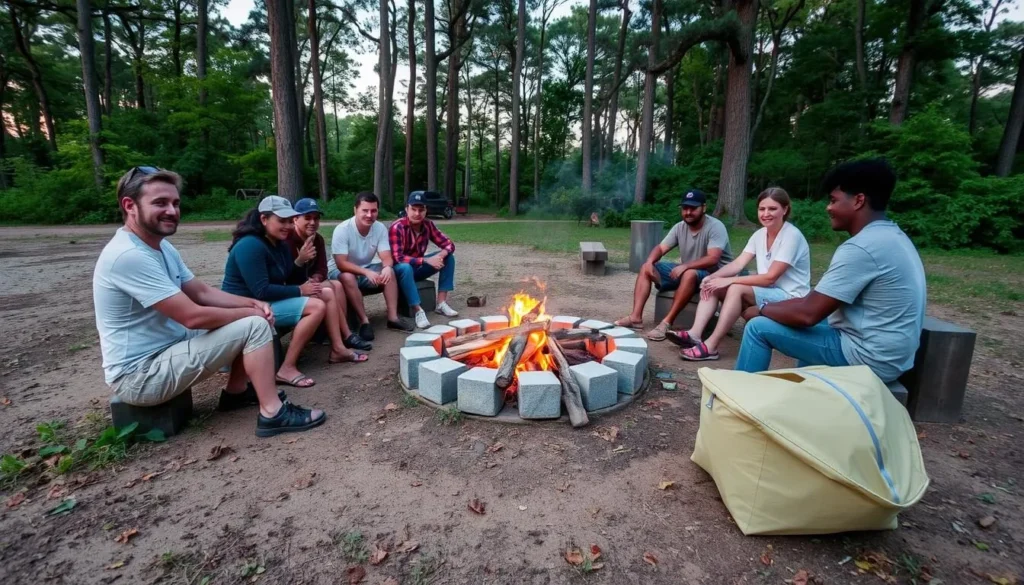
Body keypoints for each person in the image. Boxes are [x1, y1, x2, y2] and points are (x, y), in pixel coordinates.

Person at [92, 167, 325, 437]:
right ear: (129, 205)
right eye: (160, 203)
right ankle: (273, 413)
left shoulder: (161, 247)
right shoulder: (128, 255)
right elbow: (193, 316)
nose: (172, 210)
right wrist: (251, 313)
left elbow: (201, 292)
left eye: (175, 203)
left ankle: (236, 392)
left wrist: (251, 304)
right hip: (141, 376)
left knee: (253, 316)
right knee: (253, 325)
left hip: (169, 347)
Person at [734, 158, 926, 383]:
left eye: (834, 200)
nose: (828, 207)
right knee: (811, 319)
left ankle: (739, 401)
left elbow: (807, 314)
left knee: (758, 328)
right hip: (893, 353)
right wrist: (771, 307)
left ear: (858, 201)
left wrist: (762, 309)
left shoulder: (861, 247)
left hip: (870, 358)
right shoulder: (892, 236)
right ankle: (806, 389)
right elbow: (814, 303)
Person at [222, 196, 368, 389]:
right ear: (264, 219)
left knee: (326, 292)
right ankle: (287, 368)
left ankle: (338, 349)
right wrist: (300, 290)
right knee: (316, 306)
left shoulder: (279, 243)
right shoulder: (251, 245)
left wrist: (300, 262)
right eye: (281, 221)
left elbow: (287, 276)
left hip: (266, 302)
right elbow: (261, 290)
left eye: (289, 221)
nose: (287, 226)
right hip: (246, 306)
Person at [669, 188, 811, 361]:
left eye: (772, 209)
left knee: (736, 288)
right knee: (712, 286)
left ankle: (711, 346)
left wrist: (728, 281)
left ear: (785, 209)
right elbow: (738, 263)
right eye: (762, 209)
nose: (766, 214)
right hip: (771, 292)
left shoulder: (791, 236)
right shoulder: (759, 235)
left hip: (792, 296)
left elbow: (770, 277)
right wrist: (714, 277)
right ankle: (695, 334)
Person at [614, 189, 735, 341]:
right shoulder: (679, 227)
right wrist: (650, 262)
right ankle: (635, 317)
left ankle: (666, 323)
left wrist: (685, 266)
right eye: (685, 208)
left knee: (689, 272)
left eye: (693, 208)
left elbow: (713, 258)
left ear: (703, 208)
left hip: (715, 274)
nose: (688, 212)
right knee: (646, 267)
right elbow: (661, 248)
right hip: (689, 272)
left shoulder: (716, 226)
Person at [287, 198, 372, 351]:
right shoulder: (288, 239)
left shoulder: (317, 239)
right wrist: (300, 260)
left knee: (337, 285)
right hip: (292, 287)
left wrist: (316, 278)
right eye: (307, 218)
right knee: (330, 288)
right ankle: (345, 336)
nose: (313, 222)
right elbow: (285, 275)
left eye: (316, 218)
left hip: (310, 283)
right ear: (295, 219)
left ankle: (340, 334)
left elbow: (322, 269)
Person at [327, 192, 415, 339]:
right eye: (365, 210)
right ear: (355, 210)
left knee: (390, 271)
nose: (369, 215)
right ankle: (364, 322)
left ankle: (393, 318)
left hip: (365, 268)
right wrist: (366, 273)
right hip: (339, 271)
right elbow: (341, 264)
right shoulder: (342, 230)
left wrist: (386, 267)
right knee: (348, 277)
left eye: (373, 211)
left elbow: (386, 256)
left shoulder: (379, 228)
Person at [388, 191, 460, 329]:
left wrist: (442, 254)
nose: (417, 213)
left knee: (448, 257)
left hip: (417, 267)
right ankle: (417, 310)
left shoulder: (427, 225)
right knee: (405, 267)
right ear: (406, 209)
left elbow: (449, 244)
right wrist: (426, 261)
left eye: (421, 210)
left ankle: (441, 303)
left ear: (426, 210)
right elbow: (398, 257)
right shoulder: (398, 227)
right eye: (413, 209)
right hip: (399, 271)